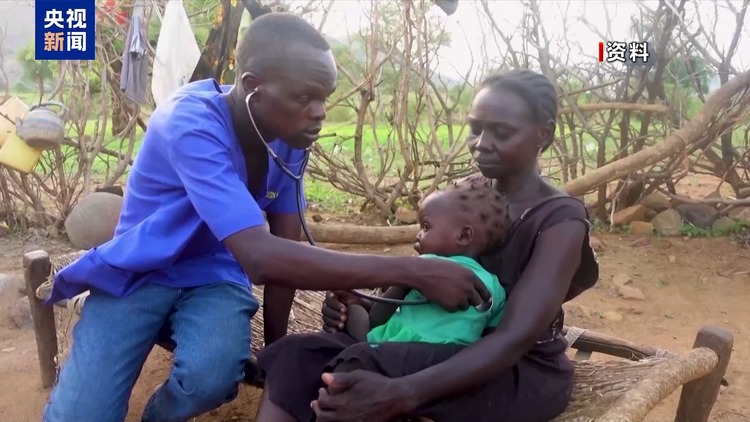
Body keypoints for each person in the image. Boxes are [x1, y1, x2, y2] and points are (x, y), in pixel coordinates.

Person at [41, 13, 490, 422]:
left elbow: (286, 248)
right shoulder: (189, 122)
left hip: (215, 274)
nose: (319, 113)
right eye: (305, 97)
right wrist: (416, 269)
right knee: (81, 414)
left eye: (325, 98)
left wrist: (276, 352)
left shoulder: (288, 135)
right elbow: (260, 256)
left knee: (212, 378)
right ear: (254, 86)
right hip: (141, 270)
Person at [254, 69, 600, 422]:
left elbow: (514, 338)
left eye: (502, 133)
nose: (481, 143)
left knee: (362, 368)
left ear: (544, 134)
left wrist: (403, 393)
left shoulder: (560, 220)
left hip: (512, 370)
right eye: (475, 128)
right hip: (428, 344)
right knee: (296, 354)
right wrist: (358, 304)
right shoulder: (471, 193)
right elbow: (424, 274)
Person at [345, 175, 508, 346]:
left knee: (352, 308)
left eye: (426, 227)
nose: (419, 234)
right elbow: (490, 336)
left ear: (463, 236)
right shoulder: (497, 290)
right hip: (450, 363)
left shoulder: (425, 267)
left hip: (395, 350)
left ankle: (359, 348)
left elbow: (377, 317)